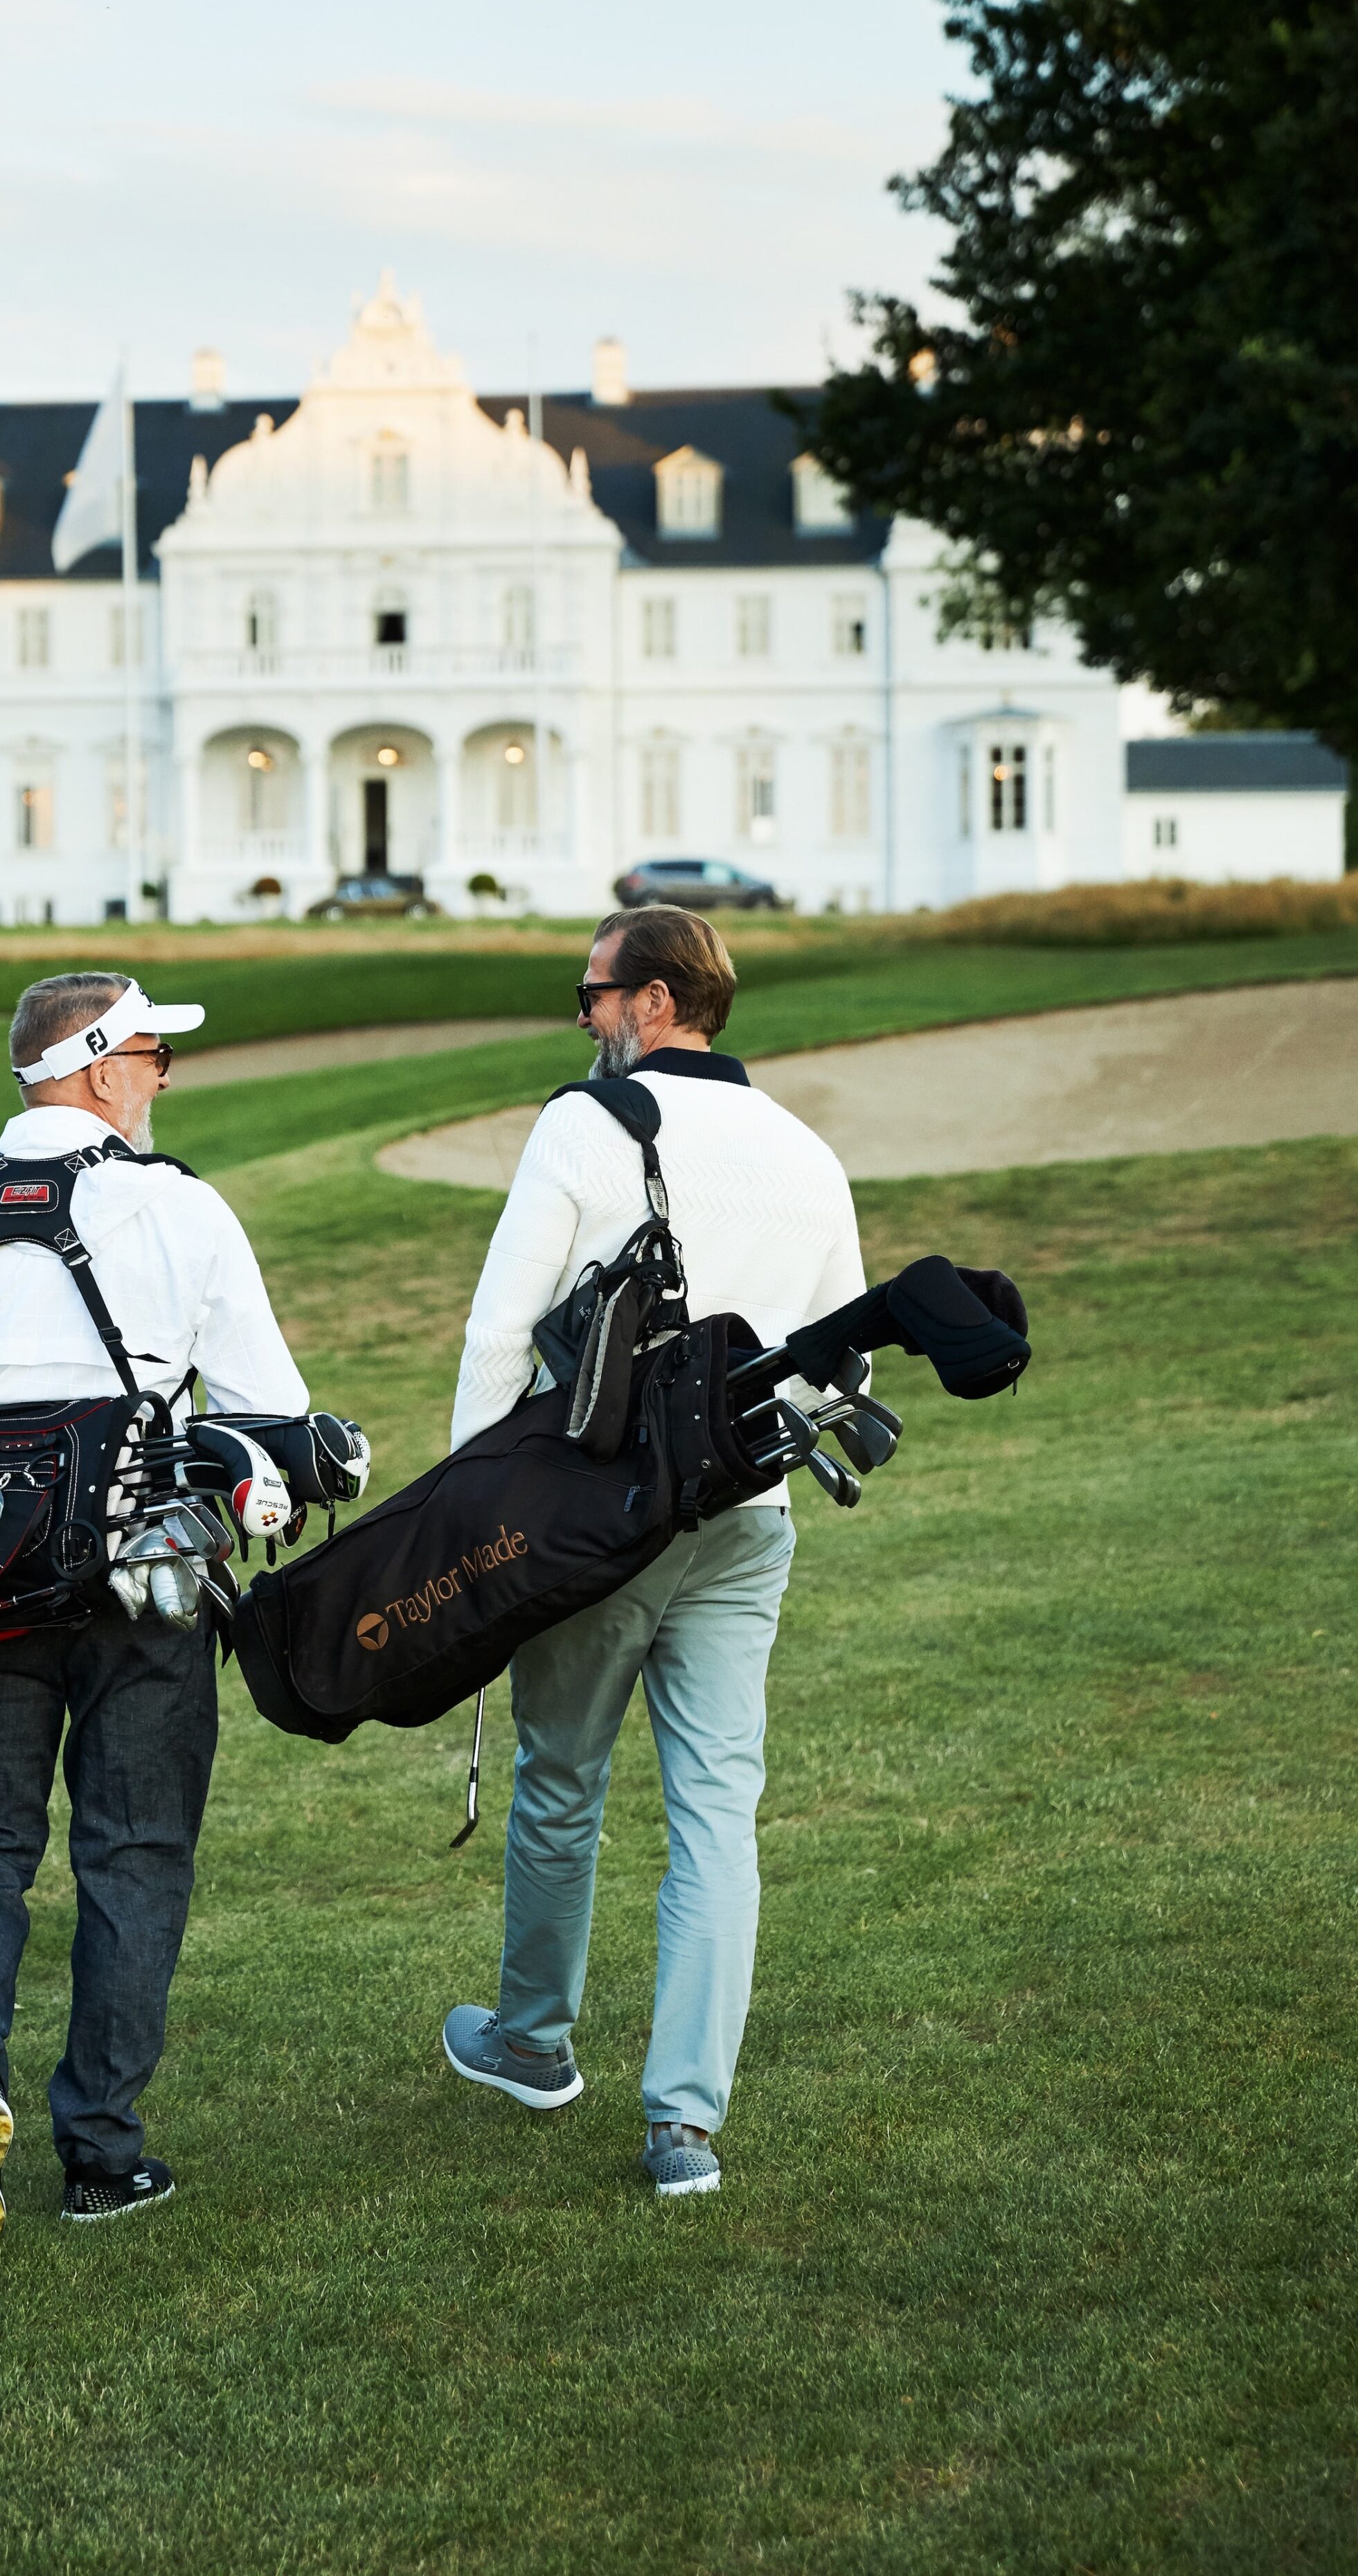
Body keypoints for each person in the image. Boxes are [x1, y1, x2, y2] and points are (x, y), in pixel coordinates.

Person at [0, 970, 308, 2242]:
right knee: (133, 1854)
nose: (164, 1077)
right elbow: (273, 1418)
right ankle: (102, 2154)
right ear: (98, 1069)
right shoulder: (183, 1211)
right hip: (144, 1586)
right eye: (155, 1056)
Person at [440, 903, 866, 2199]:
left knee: (561, 1785)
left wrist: (473, 1514)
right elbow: (838, 1372)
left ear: (658, 1003)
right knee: (716, 1816)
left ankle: (531, 2042)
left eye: (592, 995)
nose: (583, 1018)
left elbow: (496, 1335)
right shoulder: (807, 1149)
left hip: (592, 1523)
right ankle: (685, 2124)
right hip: (748, 1523)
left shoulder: (584, 1122)